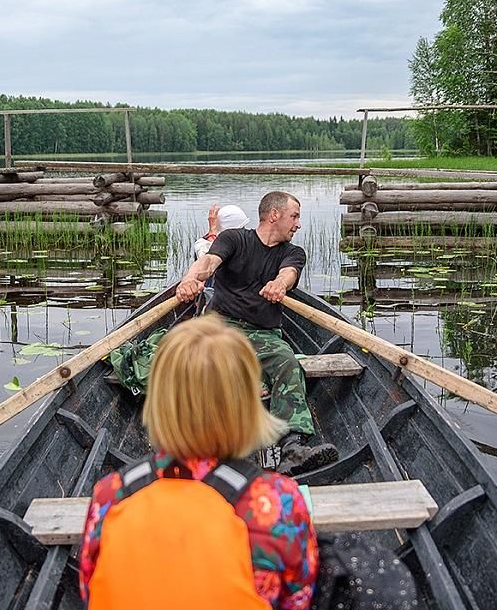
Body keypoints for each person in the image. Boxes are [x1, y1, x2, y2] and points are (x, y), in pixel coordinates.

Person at [80, 315, 317, 610]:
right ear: (248, 405)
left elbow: (90, 588)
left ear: (158, 402)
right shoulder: (278, 500)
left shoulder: (110, 494)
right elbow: (298, 600)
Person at [176, 191, 338, 476]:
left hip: (262, 333)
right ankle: (196, 445)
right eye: (294, 216)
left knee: (287, 361)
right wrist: (190, 279)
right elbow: (208, 263)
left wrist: (279, 284)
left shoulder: (292, 252)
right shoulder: (235, 239)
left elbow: (288, 274)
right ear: (274, 215)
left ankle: (292, 448)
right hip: (220, 327)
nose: (298, 224)